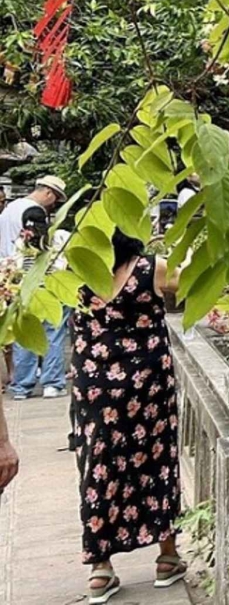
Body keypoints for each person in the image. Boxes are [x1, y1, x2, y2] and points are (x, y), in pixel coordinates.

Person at [74, 229, 185, 604]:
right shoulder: (151, 269)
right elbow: (198, 287)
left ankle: (100, 569)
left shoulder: (77, 273)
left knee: (99, 466)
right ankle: (167, 557)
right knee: (158, 461)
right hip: (147, 385)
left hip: (96, 387)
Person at [3, 174, 68, 400]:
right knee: (54, 336)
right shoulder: (57, 237)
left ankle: (22, 385)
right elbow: (63, 263)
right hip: (51, 289)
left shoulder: (10, 212)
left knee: (25, 337)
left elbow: (11, 258)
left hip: (23, 288)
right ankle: (52, 383)